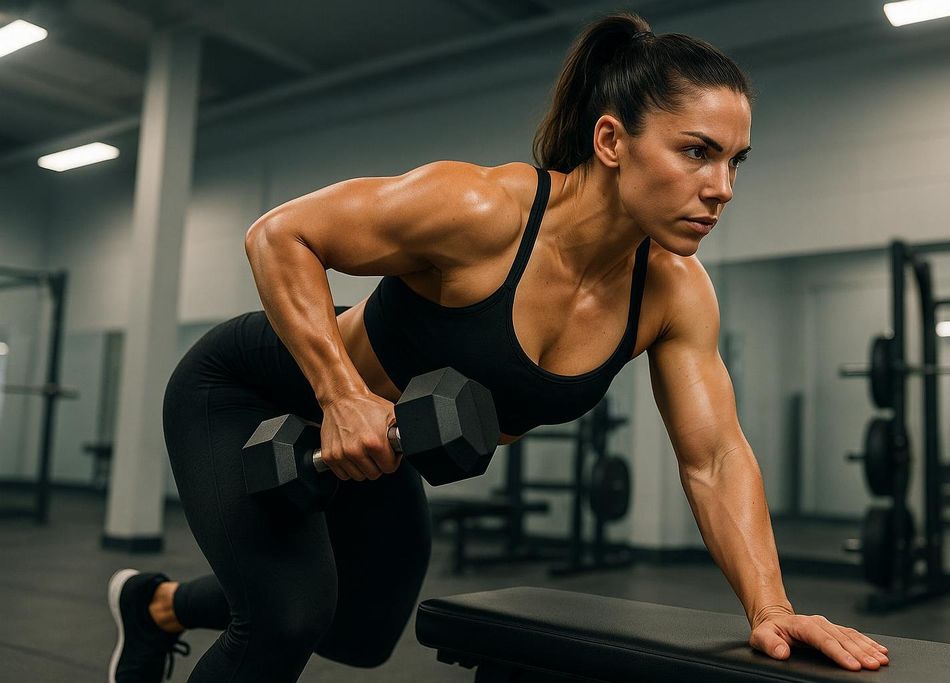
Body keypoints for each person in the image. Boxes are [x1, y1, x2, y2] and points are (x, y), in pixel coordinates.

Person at [107, 11, 889, 683]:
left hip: (373, 450)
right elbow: (280, 235)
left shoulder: (673, 292)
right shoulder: (486, 211)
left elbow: (713, 455)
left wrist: (772, 606)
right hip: (252, 389)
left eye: (734, 160)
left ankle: (155, 605)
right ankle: (197, 603)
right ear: (611, 139)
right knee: (286, 616)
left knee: (363, 632)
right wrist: (341, 393)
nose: (722, 186)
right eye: (697, 151)